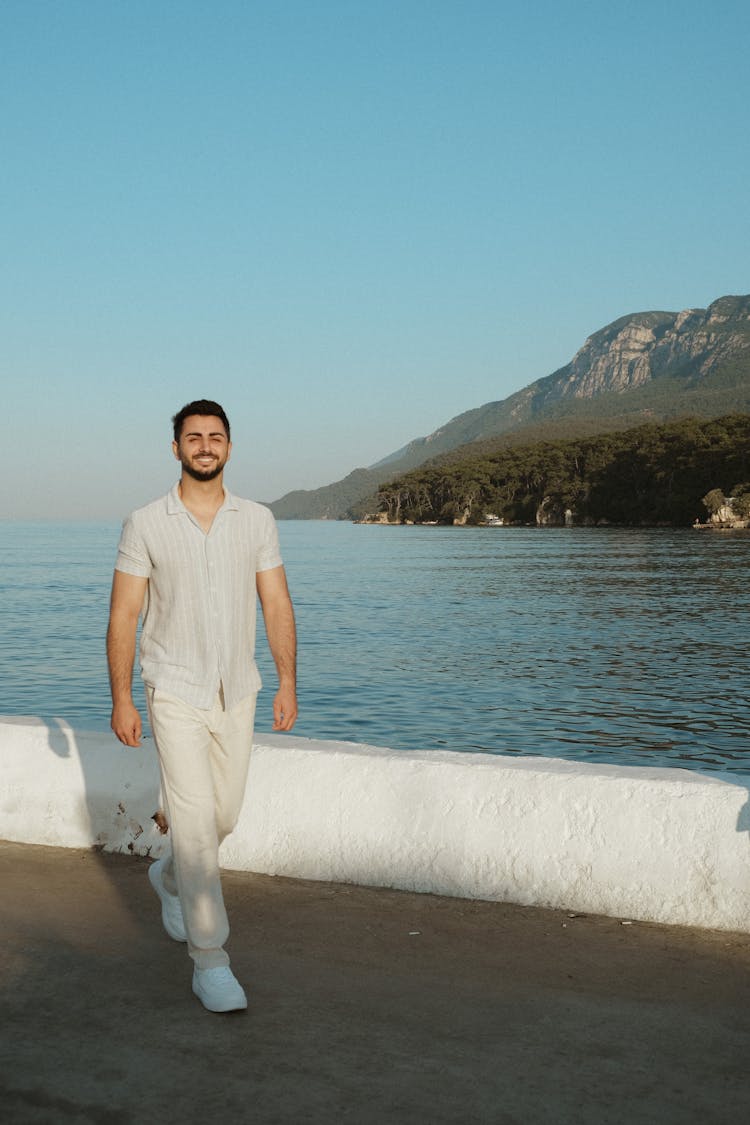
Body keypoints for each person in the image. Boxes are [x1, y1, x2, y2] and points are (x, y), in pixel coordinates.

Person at [106, 399, 297, 1013]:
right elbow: (125, 615)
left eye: (216, 437)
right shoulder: (145, 523)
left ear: (230, 447)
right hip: (174, 691)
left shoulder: (258, 520)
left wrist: (288, 681)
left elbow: (275, 603)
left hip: (237, 689)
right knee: (192, 826)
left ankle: (166, 877)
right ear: (177, 449)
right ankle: (210, 959)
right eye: (194, 438)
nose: (205, 446)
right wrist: (121, 697)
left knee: (224, 817)